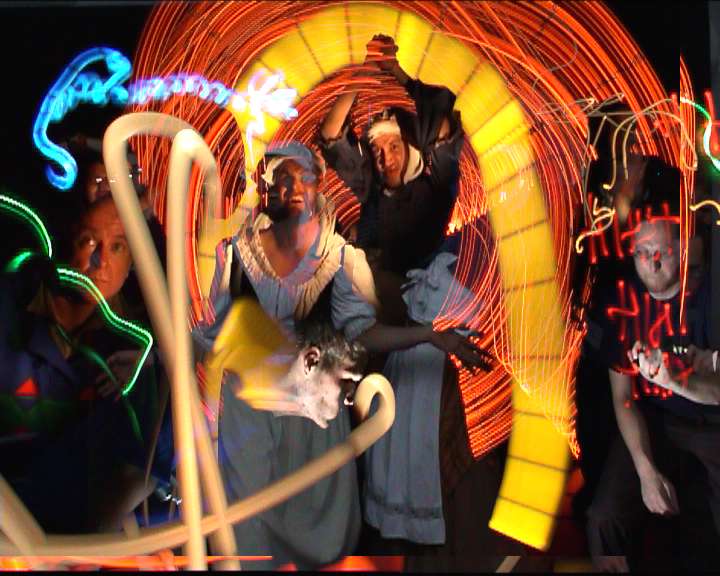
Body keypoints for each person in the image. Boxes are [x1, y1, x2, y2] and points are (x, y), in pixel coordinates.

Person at [196, 141, 489, 569]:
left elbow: (363, 334)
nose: (293, 188)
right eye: (282, 178)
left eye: (303, 177)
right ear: (266, 188)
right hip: (251, 421)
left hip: (313, 425)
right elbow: (211, 336)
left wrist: (429, 336)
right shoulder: (233, 255)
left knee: (318, 544)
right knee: (247, 541)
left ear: (319, 184)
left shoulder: (339, 261)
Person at [319, 34, 495, 554]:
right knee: (373, 429)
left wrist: (396, 76)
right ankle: (381, 534)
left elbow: (440, 111)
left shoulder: (435, 182)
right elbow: (331, 135)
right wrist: (358, 73)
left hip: (425, 320)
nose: (385, 156)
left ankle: (438, 532)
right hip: (378, 322)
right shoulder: (372, 188)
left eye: (393, 147)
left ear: (411, 147)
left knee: (423, 428)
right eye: (377, 150)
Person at [0, 196, 172, 533]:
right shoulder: (10, 307)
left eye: (118, 247)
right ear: (66, 238)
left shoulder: (137, 356)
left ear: (132, 263)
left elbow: (143, 469)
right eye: (89, 241)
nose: (100, 261)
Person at [586, 168, 720, 572]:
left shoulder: (708, 299)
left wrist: (674, 378)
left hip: (711, 425)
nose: (652, 263)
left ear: (683, 249)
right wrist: (645, 471)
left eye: (661, 251)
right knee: (603, 517)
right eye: (642, 253)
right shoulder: (623, 304)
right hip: (657, 422)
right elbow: (622, 398)